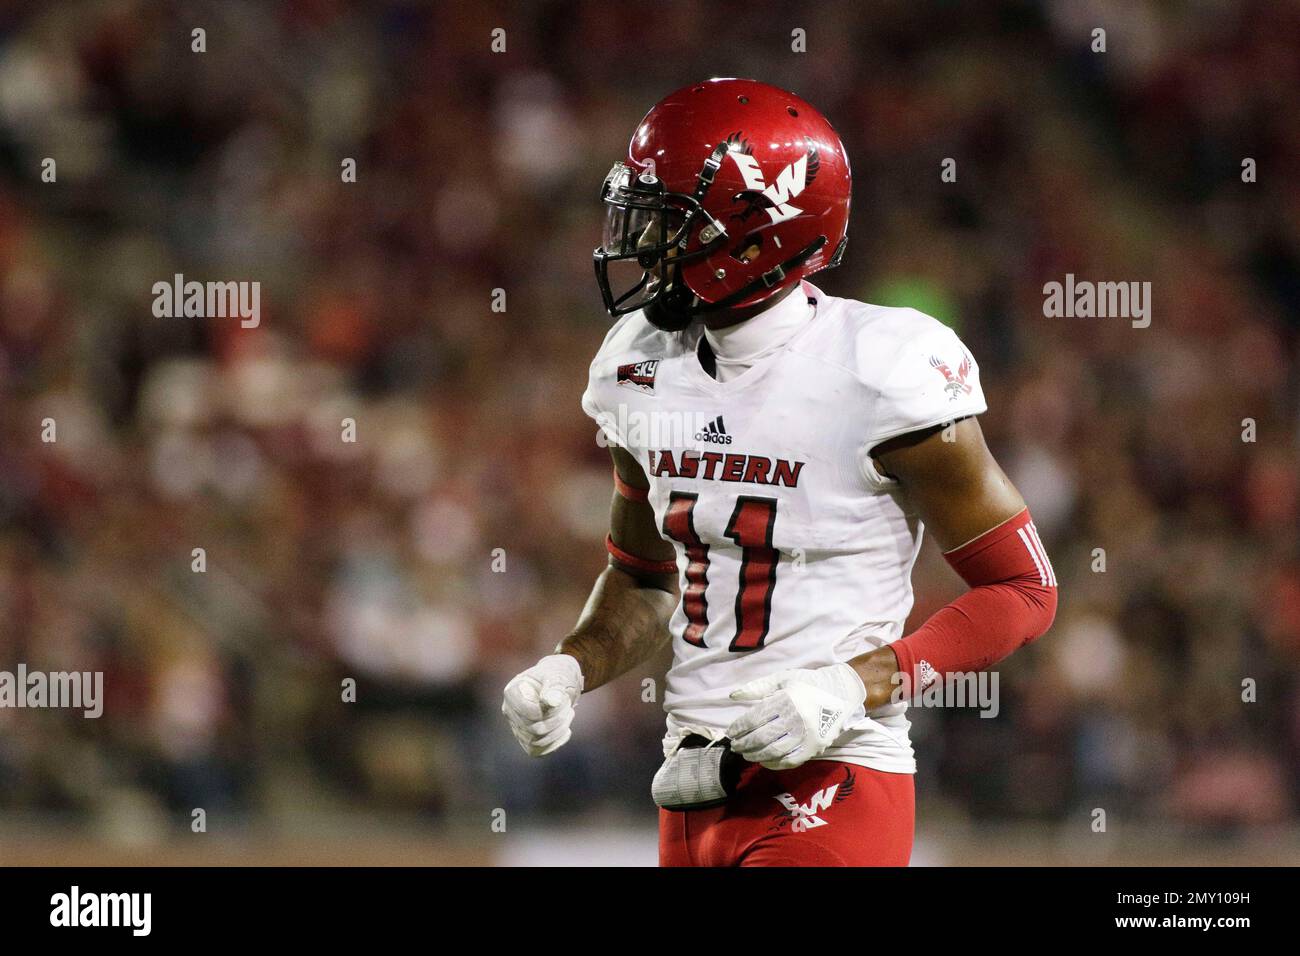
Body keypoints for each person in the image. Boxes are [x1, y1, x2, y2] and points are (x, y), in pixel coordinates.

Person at [502, 78, 1058, 866]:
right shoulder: (637, 366)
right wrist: (571, 664)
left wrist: (850, 685)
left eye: (669, 224)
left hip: (835, 775)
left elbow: (1024, 591)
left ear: (757, 233)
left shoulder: (879, 367)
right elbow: (642, 578)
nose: (640, 245)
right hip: (690, 782)